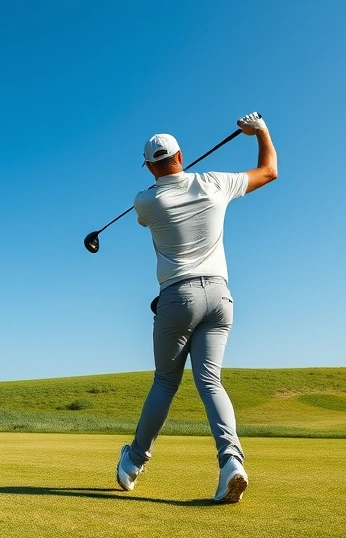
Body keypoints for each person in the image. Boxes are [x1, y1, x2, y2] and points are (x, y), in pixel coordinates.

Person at [116, 112, 278, 503]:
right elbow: (269, 171)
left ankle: (134, 461)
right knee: (210, 381)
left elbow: (147, 208)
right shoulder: (214, 182)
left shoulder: (146, 202)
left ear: (150, 166)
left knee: (166, 381)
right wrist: (260, 131)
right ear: (181, 155)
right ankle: (231, 463)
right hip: (220, 298)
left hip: (178, 297)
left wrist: (166, 179)